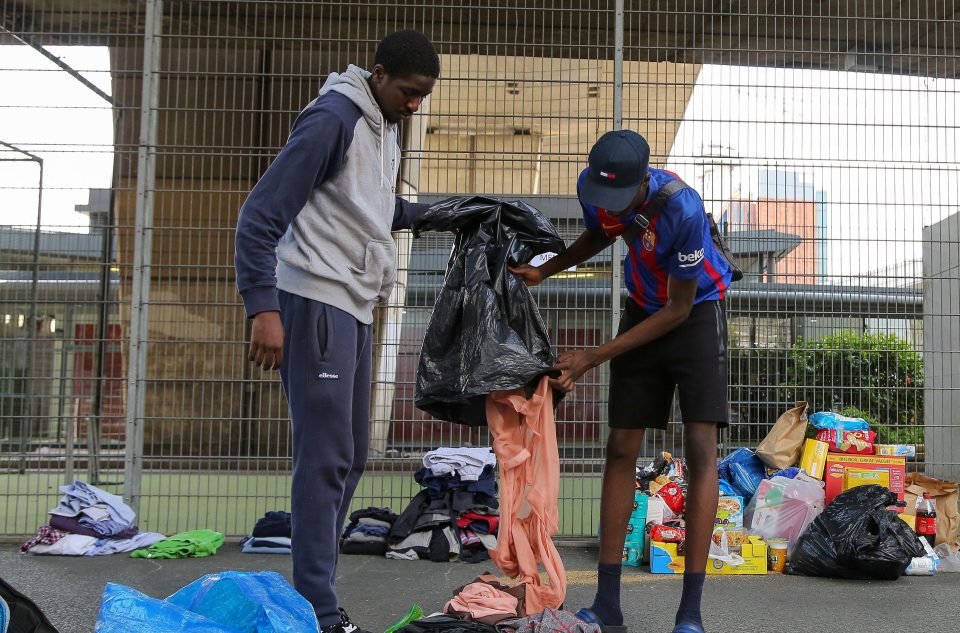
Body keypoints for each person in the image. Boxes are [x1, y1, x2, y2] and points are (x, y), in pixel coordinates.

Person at [234, 30, 440, 633]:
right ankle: (317, 612)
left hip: (352, 303)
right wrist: (262, 307)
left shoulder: (381, 126)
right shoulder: (334, 119)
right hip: (314, 298)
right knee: (324, 459)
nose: (414, 105)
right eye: (408, 92)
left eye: (423, 96)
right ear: (377, 75)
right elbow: (259, 214)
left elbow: (372, 209)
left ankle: (313, 597)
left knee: (348, 456)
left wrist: (448, 213)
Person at [511, 130, 733, 633]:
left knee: (701, 449)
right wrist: (549, 269)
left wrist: (594, 356)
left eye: (621, 195)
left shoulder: (683, 209)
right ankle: (608, 605)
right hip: (641, 308)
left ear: (643, 180)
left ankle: (690, 614)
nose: (608, 203)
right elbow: (600, 233)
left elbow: (678, 309)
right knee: (620, 448)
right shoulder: (599, 190)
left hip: (694, 314)